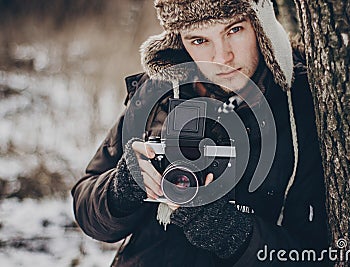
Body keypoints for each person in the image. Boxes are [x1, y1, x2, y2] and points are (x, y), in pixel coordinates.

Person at [71, 0, 329, 266]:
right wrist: (120, 190)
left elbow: (318, 253)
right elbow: (86, 206)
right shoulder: (159, 90)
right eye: (199, 40)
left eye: (234, 30)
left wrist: (237, 237)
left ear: (261, 24)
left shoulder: (302, 105)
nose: (222, 57)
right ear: (179, 40)